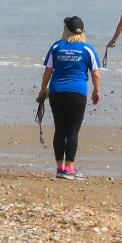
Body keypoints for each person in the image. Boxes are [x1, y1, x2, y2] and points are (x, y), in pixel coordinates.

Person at [37, 16, 101, 180]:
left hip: (57, 91)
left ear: (66, 30)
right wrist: (96, 91)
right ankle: (70, 168)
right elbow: (95, 73)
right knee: (73, 130)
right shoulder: (87, 49)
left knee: (60, 129)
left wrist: (42, 90)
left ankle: (60, 168)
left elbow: (48, 71)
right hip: (77, 92)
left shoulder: (57, 46)